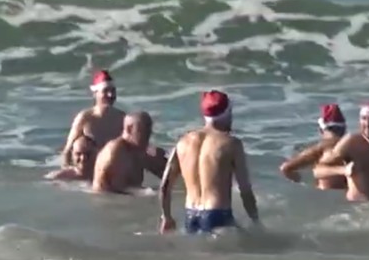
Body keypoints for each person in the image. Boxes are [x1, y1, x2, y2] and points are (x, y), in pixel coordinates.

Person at [159, 90, 259, 234]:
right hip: (218, 215)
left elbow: (165, 186)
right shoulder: (231, 143)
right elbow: (245, 190)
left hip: (191, 215)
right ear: (227, 113)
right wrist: (256, 222)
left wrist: (166, 217)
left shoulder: (183, 142)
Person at [315, 100, 369, 202]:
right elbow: (318, 171)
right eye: (363, 119)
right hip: (356, 207)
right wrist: (343, 170)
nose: (368, 124)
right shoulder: (351, 142)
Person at [60, 70, 127, 168]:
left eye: (113, 91)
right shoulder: (85, 118)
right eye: (105, 91)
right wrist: (68, 177)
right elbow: (67, 151)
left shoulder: (123, 118)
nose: (110, 95)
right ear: (95, 93)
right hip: (88, 171)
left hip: (114, 172)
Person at [279, 104, 347, 188]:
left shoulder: (321, 147)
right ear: (344, 129)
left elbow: (286, 168)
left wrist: (300, 183)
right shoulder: (354, 146)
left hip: (325, 195)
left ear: (321, 130)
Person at [91, 112, 161, 193]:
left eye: (149, 131)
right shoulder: (116, 151)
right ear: (129, 129)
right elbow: (116, 190)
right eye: (144, 131)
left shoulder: (138, 149)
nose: (148, 135)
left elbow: (162, 173)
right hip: (110, 201)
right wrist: (148, 193)